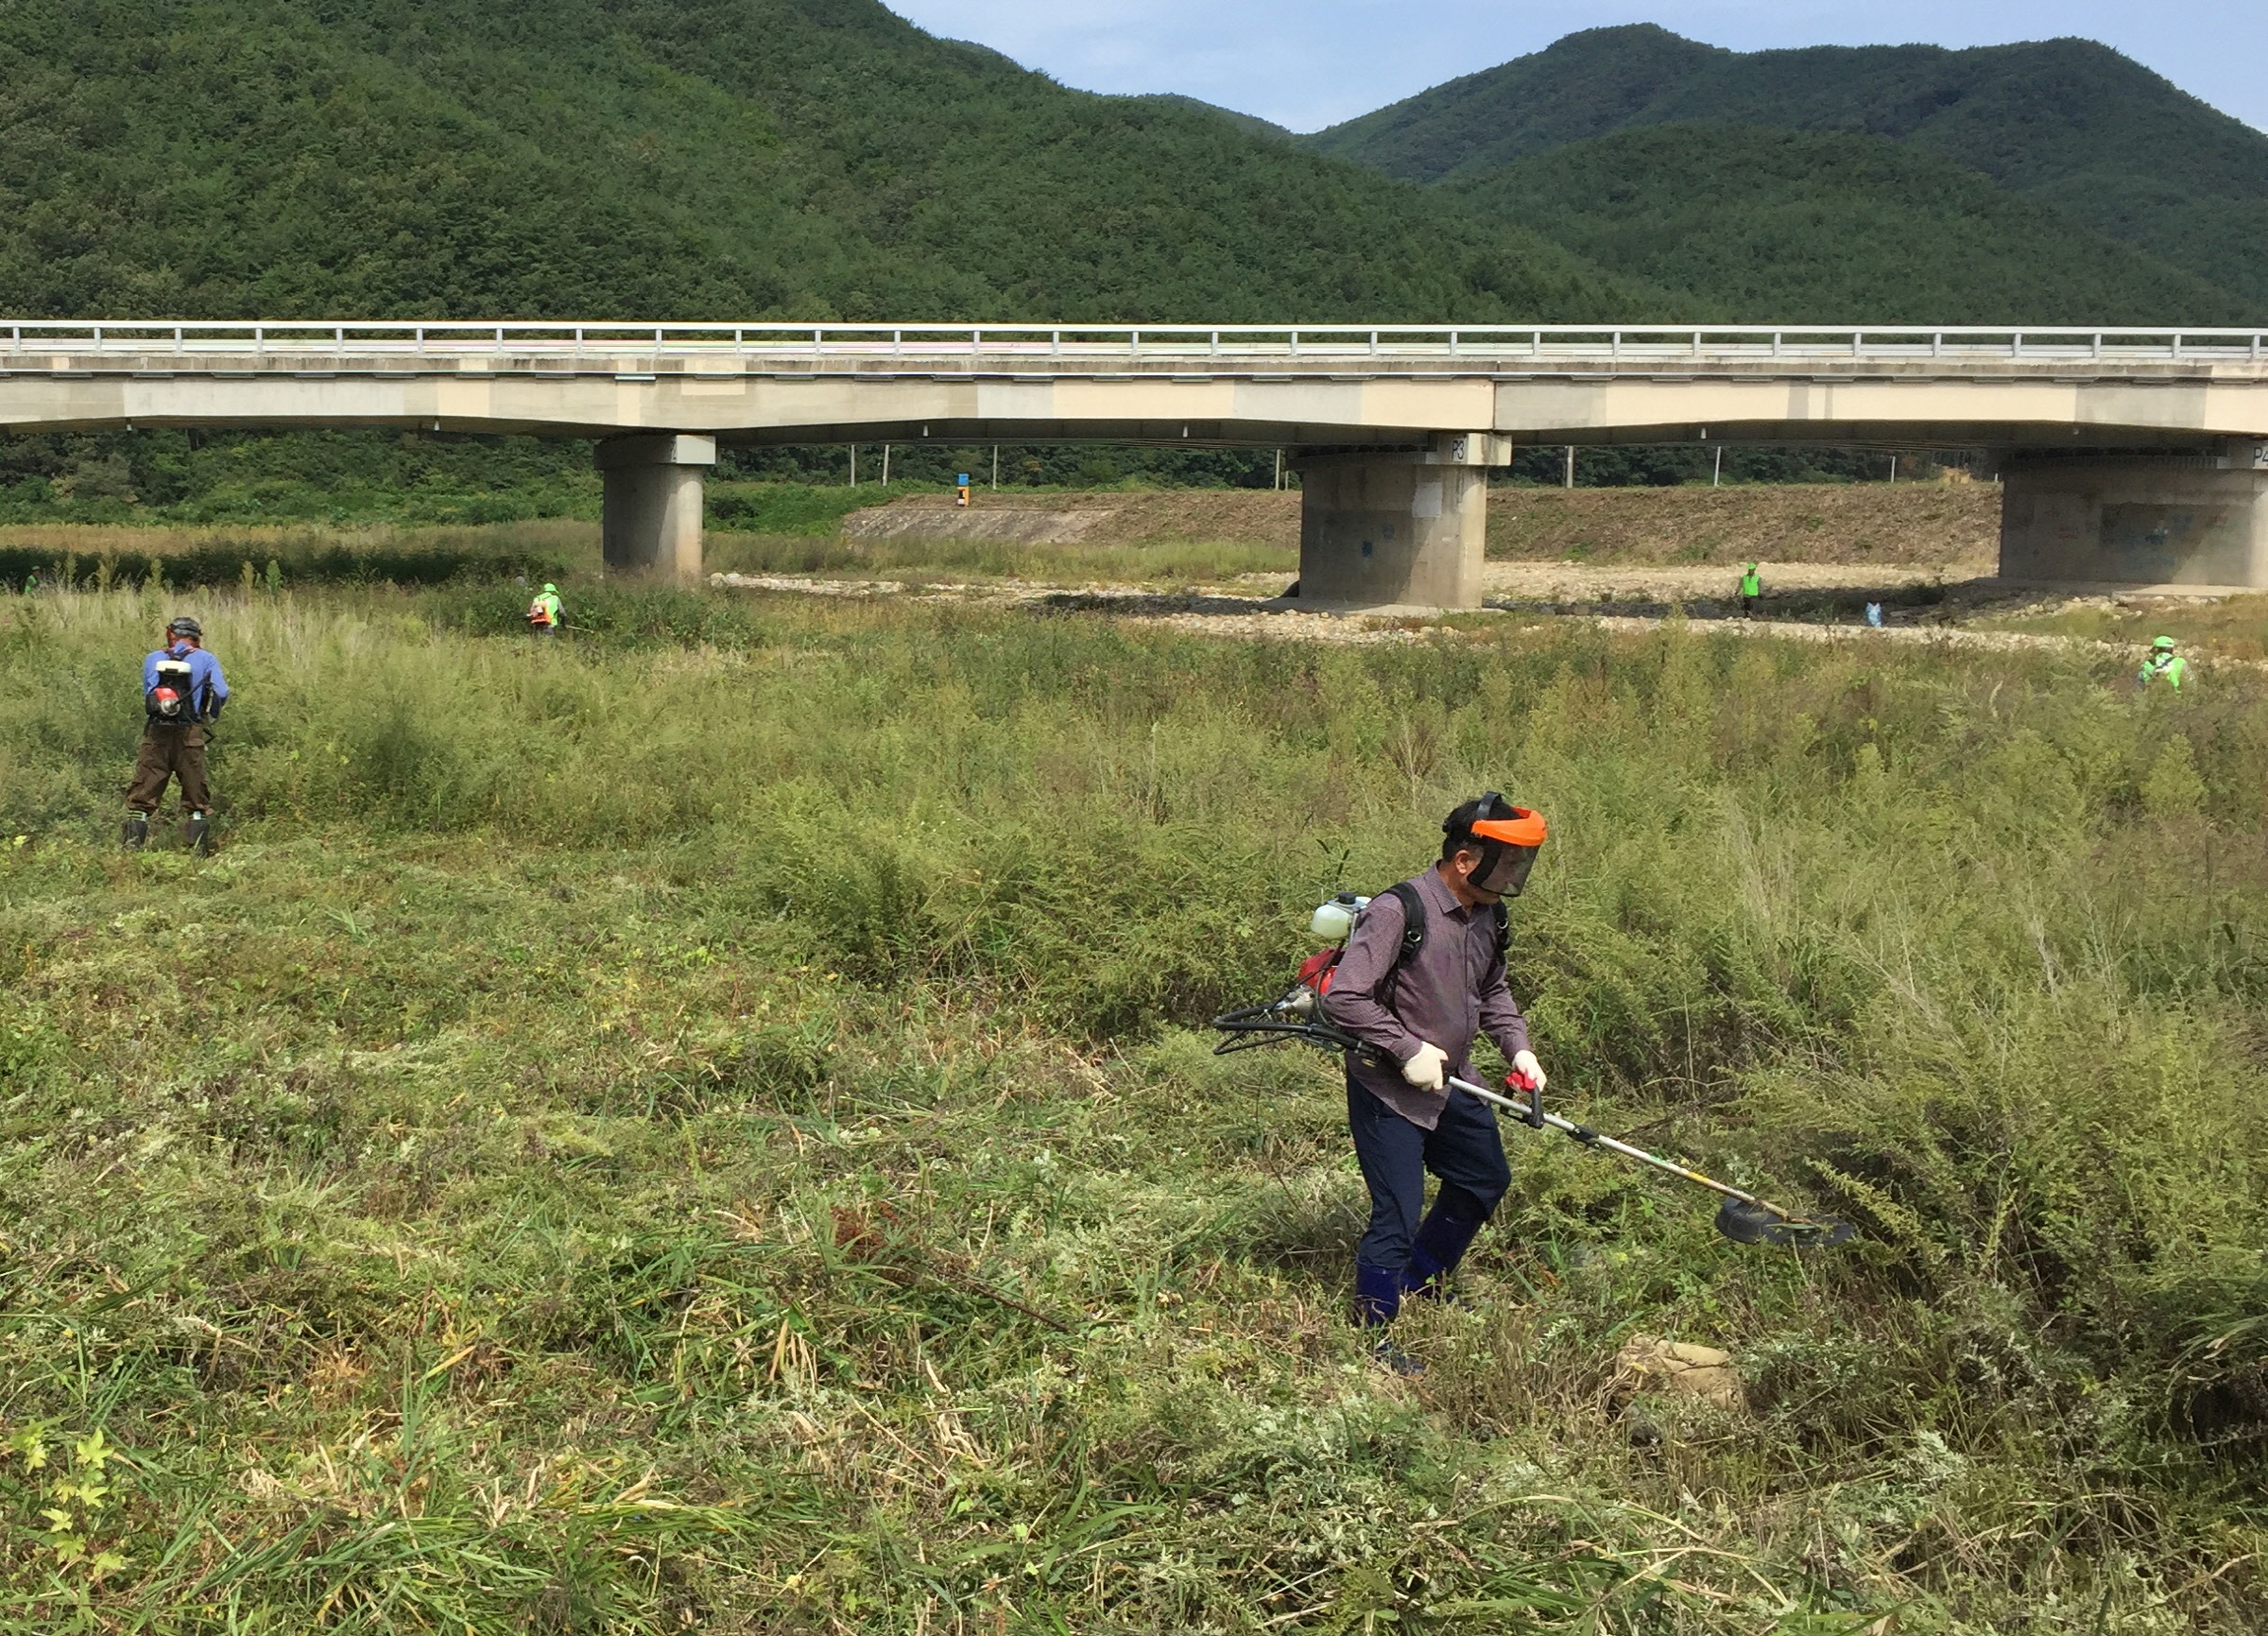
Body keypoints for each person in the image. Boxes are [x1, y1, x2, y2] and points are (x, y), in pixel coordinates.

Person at [1322, 793, 1549, 1361]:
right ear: (1468, 859)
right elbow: (1346, 998)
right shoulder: (1401, 910)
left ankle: (1422, 1281)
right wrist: (1404, 1048)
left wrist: (1518, 1049)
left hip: (1454, 1080)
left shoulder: (1489, 915)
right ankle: (1373, 1333)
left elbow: (1492, 990)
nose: (1517, 875)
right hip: (1387, 1088)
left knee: (1483, 1179)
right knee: (1397, 1211)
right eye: (1509, 863)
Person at [126, 616, 229, 852]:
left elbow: (150, 694)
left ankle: (130, 853)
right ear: (196, 637)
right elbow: (221, 692)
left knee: (142, 795)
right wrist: (210, 716)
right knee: (196, 797)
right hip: (190, 734)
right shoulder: (206, 658)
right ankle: (197, 854)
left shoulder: (153, 658)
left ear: (170, 634)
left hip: (156, 734)